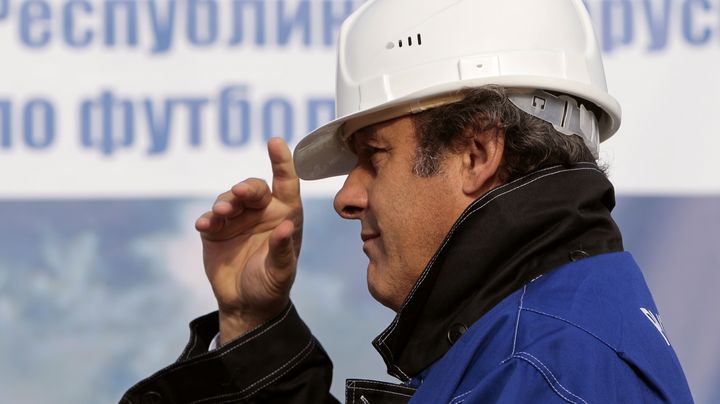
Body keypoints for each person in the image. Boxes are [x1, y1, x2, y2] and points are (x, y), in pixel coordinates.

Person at [122, 0, 693, 402]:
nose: (346, 197)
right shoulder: (536, 336)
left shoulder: (543, 363)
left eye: (375, 155)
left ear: (476, 152)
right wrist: (254, 326)